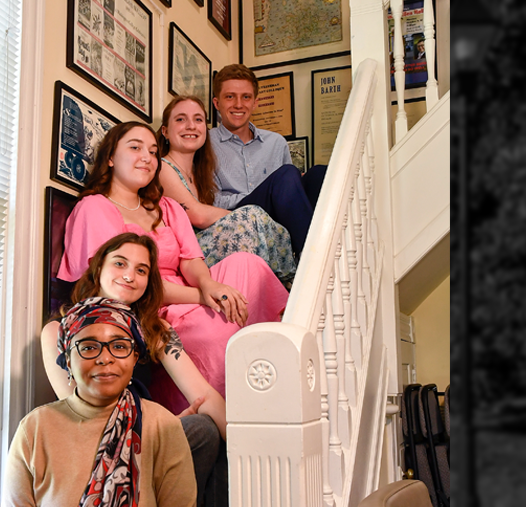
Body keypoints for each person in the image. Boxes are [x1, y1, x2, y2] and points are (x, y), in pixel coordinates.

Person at [57, 121, 288, 416]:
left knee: (248, 264)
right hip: (150, 306)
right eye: (135, 147)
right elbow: (126, 283)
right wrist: (201, 297)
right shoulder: (95, 207)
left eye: (153, 152)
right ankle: (234, 408)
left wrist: (208, 285)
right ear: (111, 157)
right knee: (217, 329)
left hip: (189, 290)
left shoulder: (166, 206)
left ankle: (279, 352)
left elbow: (191, 260)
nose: (147, 157)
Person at [42, 232, 227, 506]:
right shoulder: (57, 331)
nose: (130, 276)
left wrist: (248, 448)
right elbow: (79, 413)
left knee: (215, 432)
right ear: (98, 267)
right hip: (96, 447)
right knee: (202, 431)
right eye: (120, 263)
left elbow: (203, 394)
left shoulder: (154, 329)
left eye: (141, 270)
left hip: (151, 440)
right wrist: (156, 428)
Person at [4, 298, 197, 506]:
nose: (105, 358)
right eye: (88, 347)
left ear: (134, 357)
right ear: (68, 360)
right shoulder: (34, 429)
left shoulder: (163, 426)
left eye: (119, 346)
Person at [156, 95, 296, 285]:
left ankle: (281, 286)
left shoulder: (201, 175)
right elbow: (197, 215)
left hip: (205, 248)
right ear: (165, 131)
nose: (191, 126)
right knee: (252, 216)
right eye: (181, 119)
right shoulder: (163, 167)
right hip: (189, 258)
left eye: (198, 120)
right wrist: (250, 217)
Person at [210, 63, 329, 256]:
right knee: (288, 175)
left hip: (276, 216)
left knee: (319, 174)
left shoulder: (276, 142)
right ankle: (316, 257)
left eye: (246, 97)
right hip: (239, 215)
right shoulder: (206, 143)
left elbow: (289, 192)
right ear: (217, 103)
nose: (238, 104)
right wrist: (268, 194)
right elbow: (211, 201)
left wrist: (281, 194)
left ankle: (322, 247)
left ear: (255, 103)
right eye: (230, 97)